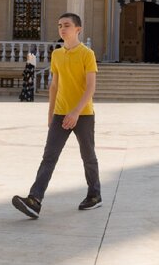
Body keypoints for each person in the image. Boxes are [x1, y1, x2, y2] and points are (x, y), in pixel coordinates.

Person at [12, 13, 100, 217]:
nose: (62, 29)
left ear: (78, 29)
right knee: (49, 156)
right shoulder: (57, 55)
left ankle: (94, 195)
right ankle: (35, 200)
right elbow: (54, 86)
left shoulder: (87, 54)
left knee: (88, 156)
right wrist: (50, 113)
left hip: (83, 114)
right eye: (60, 25)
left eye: (67, 25)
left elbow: (90, 88)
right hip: (60, 113)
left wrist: (76, 112)